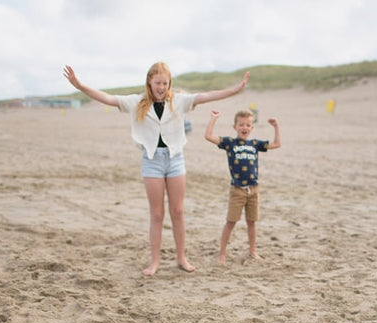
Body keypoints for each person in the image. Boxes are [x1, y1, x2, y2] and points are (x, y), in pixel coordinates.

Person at [63, 63, 250, 275]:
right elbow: (108, 98)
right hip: (151, 160)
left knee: (178, 211)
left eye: (165, 83)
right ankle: (155, 261)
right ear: (149, 82)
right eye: (157, 83)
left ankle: (181, 257)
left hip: (175, 159)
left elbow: (206, 96)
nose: (161, 87)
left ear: (169, 83)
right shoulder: (137, 102)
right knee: (157, 213)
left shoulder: (178, 101)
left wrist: (235, 90)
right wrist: (80, 86)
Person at [204, 109, 281, 264]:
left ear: (252, 128)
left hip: (253, 189)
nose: (244, 127)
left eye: (248, 125)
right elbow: (208, 136)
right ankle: (222, 254)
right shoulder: (229, 143)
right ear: (235, 127)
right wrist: (213, 118)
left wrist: (276, 126)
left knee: (251, 222)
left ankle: (252, 251)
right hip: (237, 190)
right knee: (231, 222)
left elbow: (277, 144)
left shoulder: (255, 144)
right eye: (241, 125)